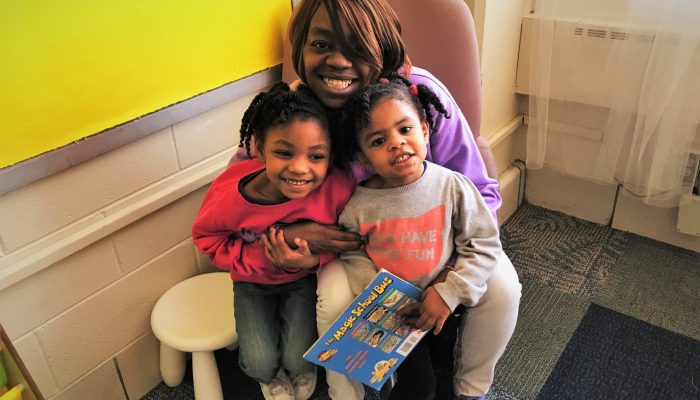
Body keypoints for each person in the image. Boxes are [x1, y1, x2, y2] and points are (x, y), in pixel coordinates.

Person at [230, 1, 521, 398]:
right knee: (333, 303)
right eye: (320, 44)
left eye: (356, 46)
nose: (338, 61)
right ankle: (346, 392)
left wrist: (449, 266)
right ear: (300, 51)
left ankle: (470, 389)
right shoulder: (289, 112)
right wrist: (294, 240)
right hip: (353, 251)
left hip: (441, 238)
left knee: (503, 288)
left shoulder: (421, 96)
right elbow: (241, 194)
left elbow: (480, 191)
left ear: (381, 46)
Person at [335, 74, 509, 400]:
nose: (396, 143)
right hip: (398, 318)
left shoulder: (452, 185)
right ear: (362, 157)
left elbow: (484, 242)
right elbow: (353, 253)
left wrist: (450, 291)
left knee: (444, 378)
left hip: (446, 308)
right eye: (377, 141)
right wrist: (382, 297)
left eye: (405, 129)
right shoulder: (359, 207)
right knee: (419, 388)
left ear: (425, 130)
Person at [192, 82, 354, 400]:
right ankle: (271, 378)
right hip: (250, 282)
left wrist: (312, 261)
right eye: (284, 152)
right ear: (260, 150)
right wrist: (267, 256)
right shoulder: (231, 194)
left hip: (303, 280)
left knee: (301, 358)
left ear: (330, 157)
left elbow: (344, 240)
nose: (299, 168)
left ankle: (299, 369)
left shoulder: (337, 187)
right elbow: (207, 240)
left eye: (316, 155)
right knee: (259, 363)